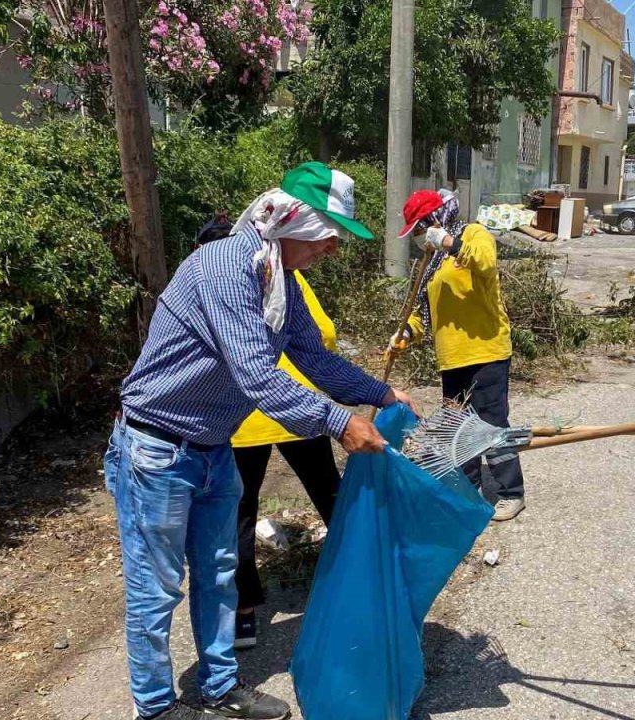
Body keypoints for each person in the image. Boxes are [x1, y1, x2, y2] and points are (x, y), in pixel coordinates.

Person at [104, 161, 417, 720]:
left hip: (211, 448)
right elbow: (256, 374)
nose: (333, 251)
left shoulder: (279, 279)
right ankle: (154, 708)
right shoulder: (227, 266)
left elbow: (310, 357)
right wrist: (340, 423)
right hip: (158, 450)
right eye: (330, 237)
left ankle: (219, 689)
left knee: (221, 574)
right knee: (156, 591)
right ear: (295, 221)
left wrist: (383, 396)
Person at [387, 189, 526, 522]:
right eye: (416, 234)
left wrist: (448, 241)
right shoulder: (429, 263)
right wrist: (404, 334)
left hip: (486, 349)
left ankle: (510, 493)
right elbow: (422, 313)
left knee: (491, 424)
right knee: (459, 428)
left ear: (434, 220)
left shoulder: (472, 234)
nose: (419, 238)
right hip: (451, 358)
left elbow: (485, 263)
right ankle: (469, 490)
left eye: (420, 230)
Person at [230, 268, 342, 650]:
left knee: (240, 512)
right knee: (331, 496)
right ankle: (359, 579)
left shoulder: (213, 283)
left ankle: (243, 615)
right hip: (294, 408)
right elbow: (324, 331)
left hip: (240, 417)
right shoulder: (282, 276)